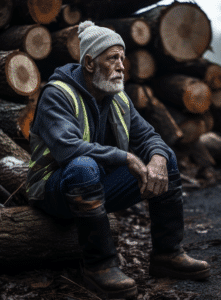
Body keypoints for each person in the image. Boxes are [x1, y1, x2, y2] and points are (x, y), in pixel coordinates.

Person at [26, 21, 210, 299]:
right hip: (53, 191)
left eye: (122, 58)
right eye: (113, 58)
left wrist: (157, 157)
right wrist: (125, 157)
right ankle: (100, 266)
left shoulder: (117, 97)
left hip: (93, 187)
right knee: (83, 167)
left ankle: (167, 254)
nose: (122, 66)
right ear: (89, 63)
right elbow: (70, 150)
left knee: (167, 159)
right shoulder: (58, 95)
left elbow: (150, 136)